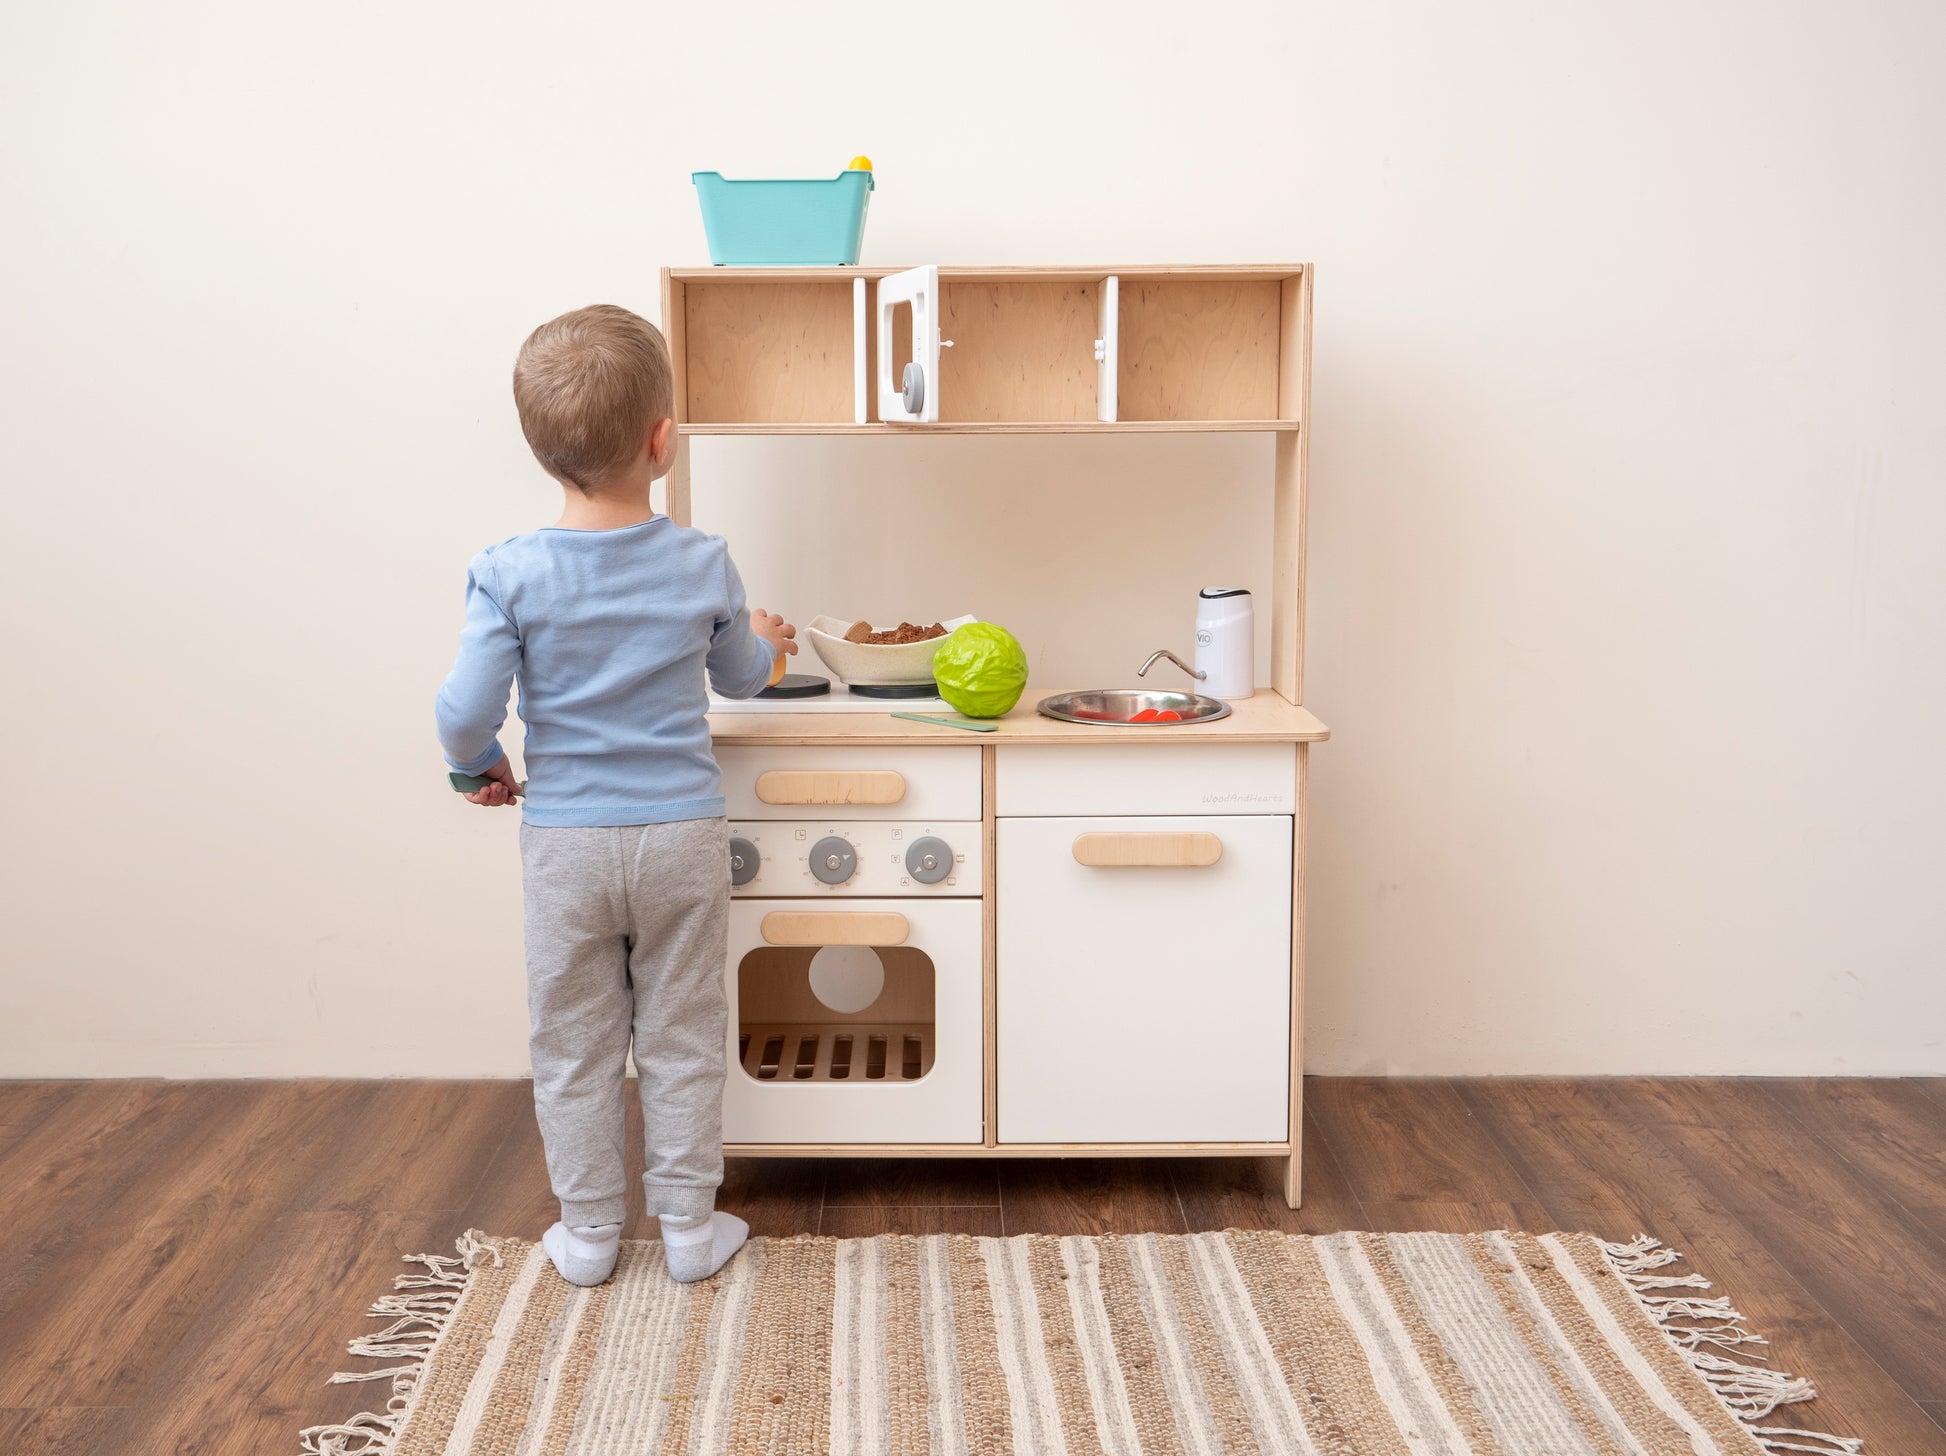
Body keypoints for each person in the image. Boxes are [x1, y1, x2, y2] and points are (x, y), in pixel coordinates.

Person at [435, 304, 795, 1285]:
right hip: (681, 835)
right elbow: (740, 678)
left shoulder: (508, 573)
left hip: (566, 844)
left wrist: (480, 767)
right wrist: (767, 637)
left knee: (575, 1043)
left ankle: (589, 1235)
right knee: (679, 1035)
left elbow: (465, 709)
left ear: (541, 449)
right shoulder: (700, 561)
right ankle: (687, 1227)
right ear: (662, 441)